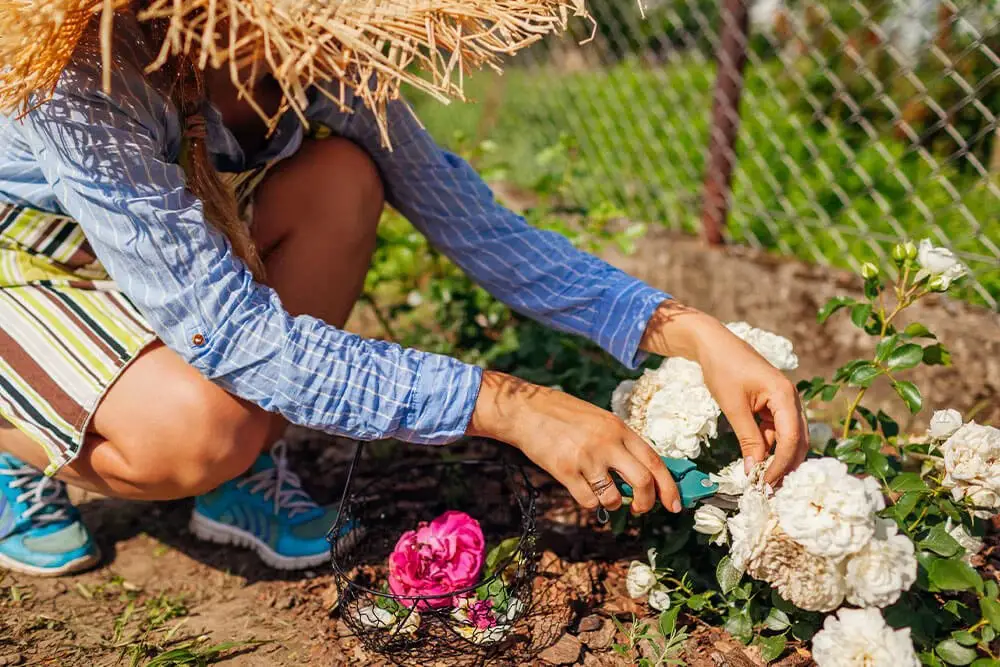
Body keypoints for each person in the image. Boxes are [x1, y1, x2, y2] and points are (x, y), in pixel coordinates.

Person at [0, 1, 808, 576]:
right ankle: (21, 440)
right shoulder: (88, 71)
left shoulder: (321, 55)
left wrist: (692, 332)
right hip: (33, 264)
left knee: (344, 179)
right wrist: (514, 405)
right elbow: (240, 340)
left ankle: (250, 467)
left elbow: (479, 228)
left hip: (183, 261)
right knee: (198, 434)